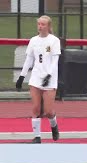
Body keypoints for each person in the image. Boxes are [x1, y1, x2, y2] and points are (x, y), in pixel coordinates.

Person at [15, 15, 61, 143]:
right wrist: (22, 76)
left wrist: (49, 75)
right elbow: (29, 59)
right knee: (35, 108)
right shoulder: (33, 40)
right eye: (39, 24)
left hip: (49, 79)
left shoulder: (54, 41)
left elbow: (55, 61)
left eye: (43, 24)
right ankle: (37, 137)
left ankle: (54, 125)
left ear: (49, 26)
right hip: (36, 77)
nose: (40, 26)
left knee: (48, 111)